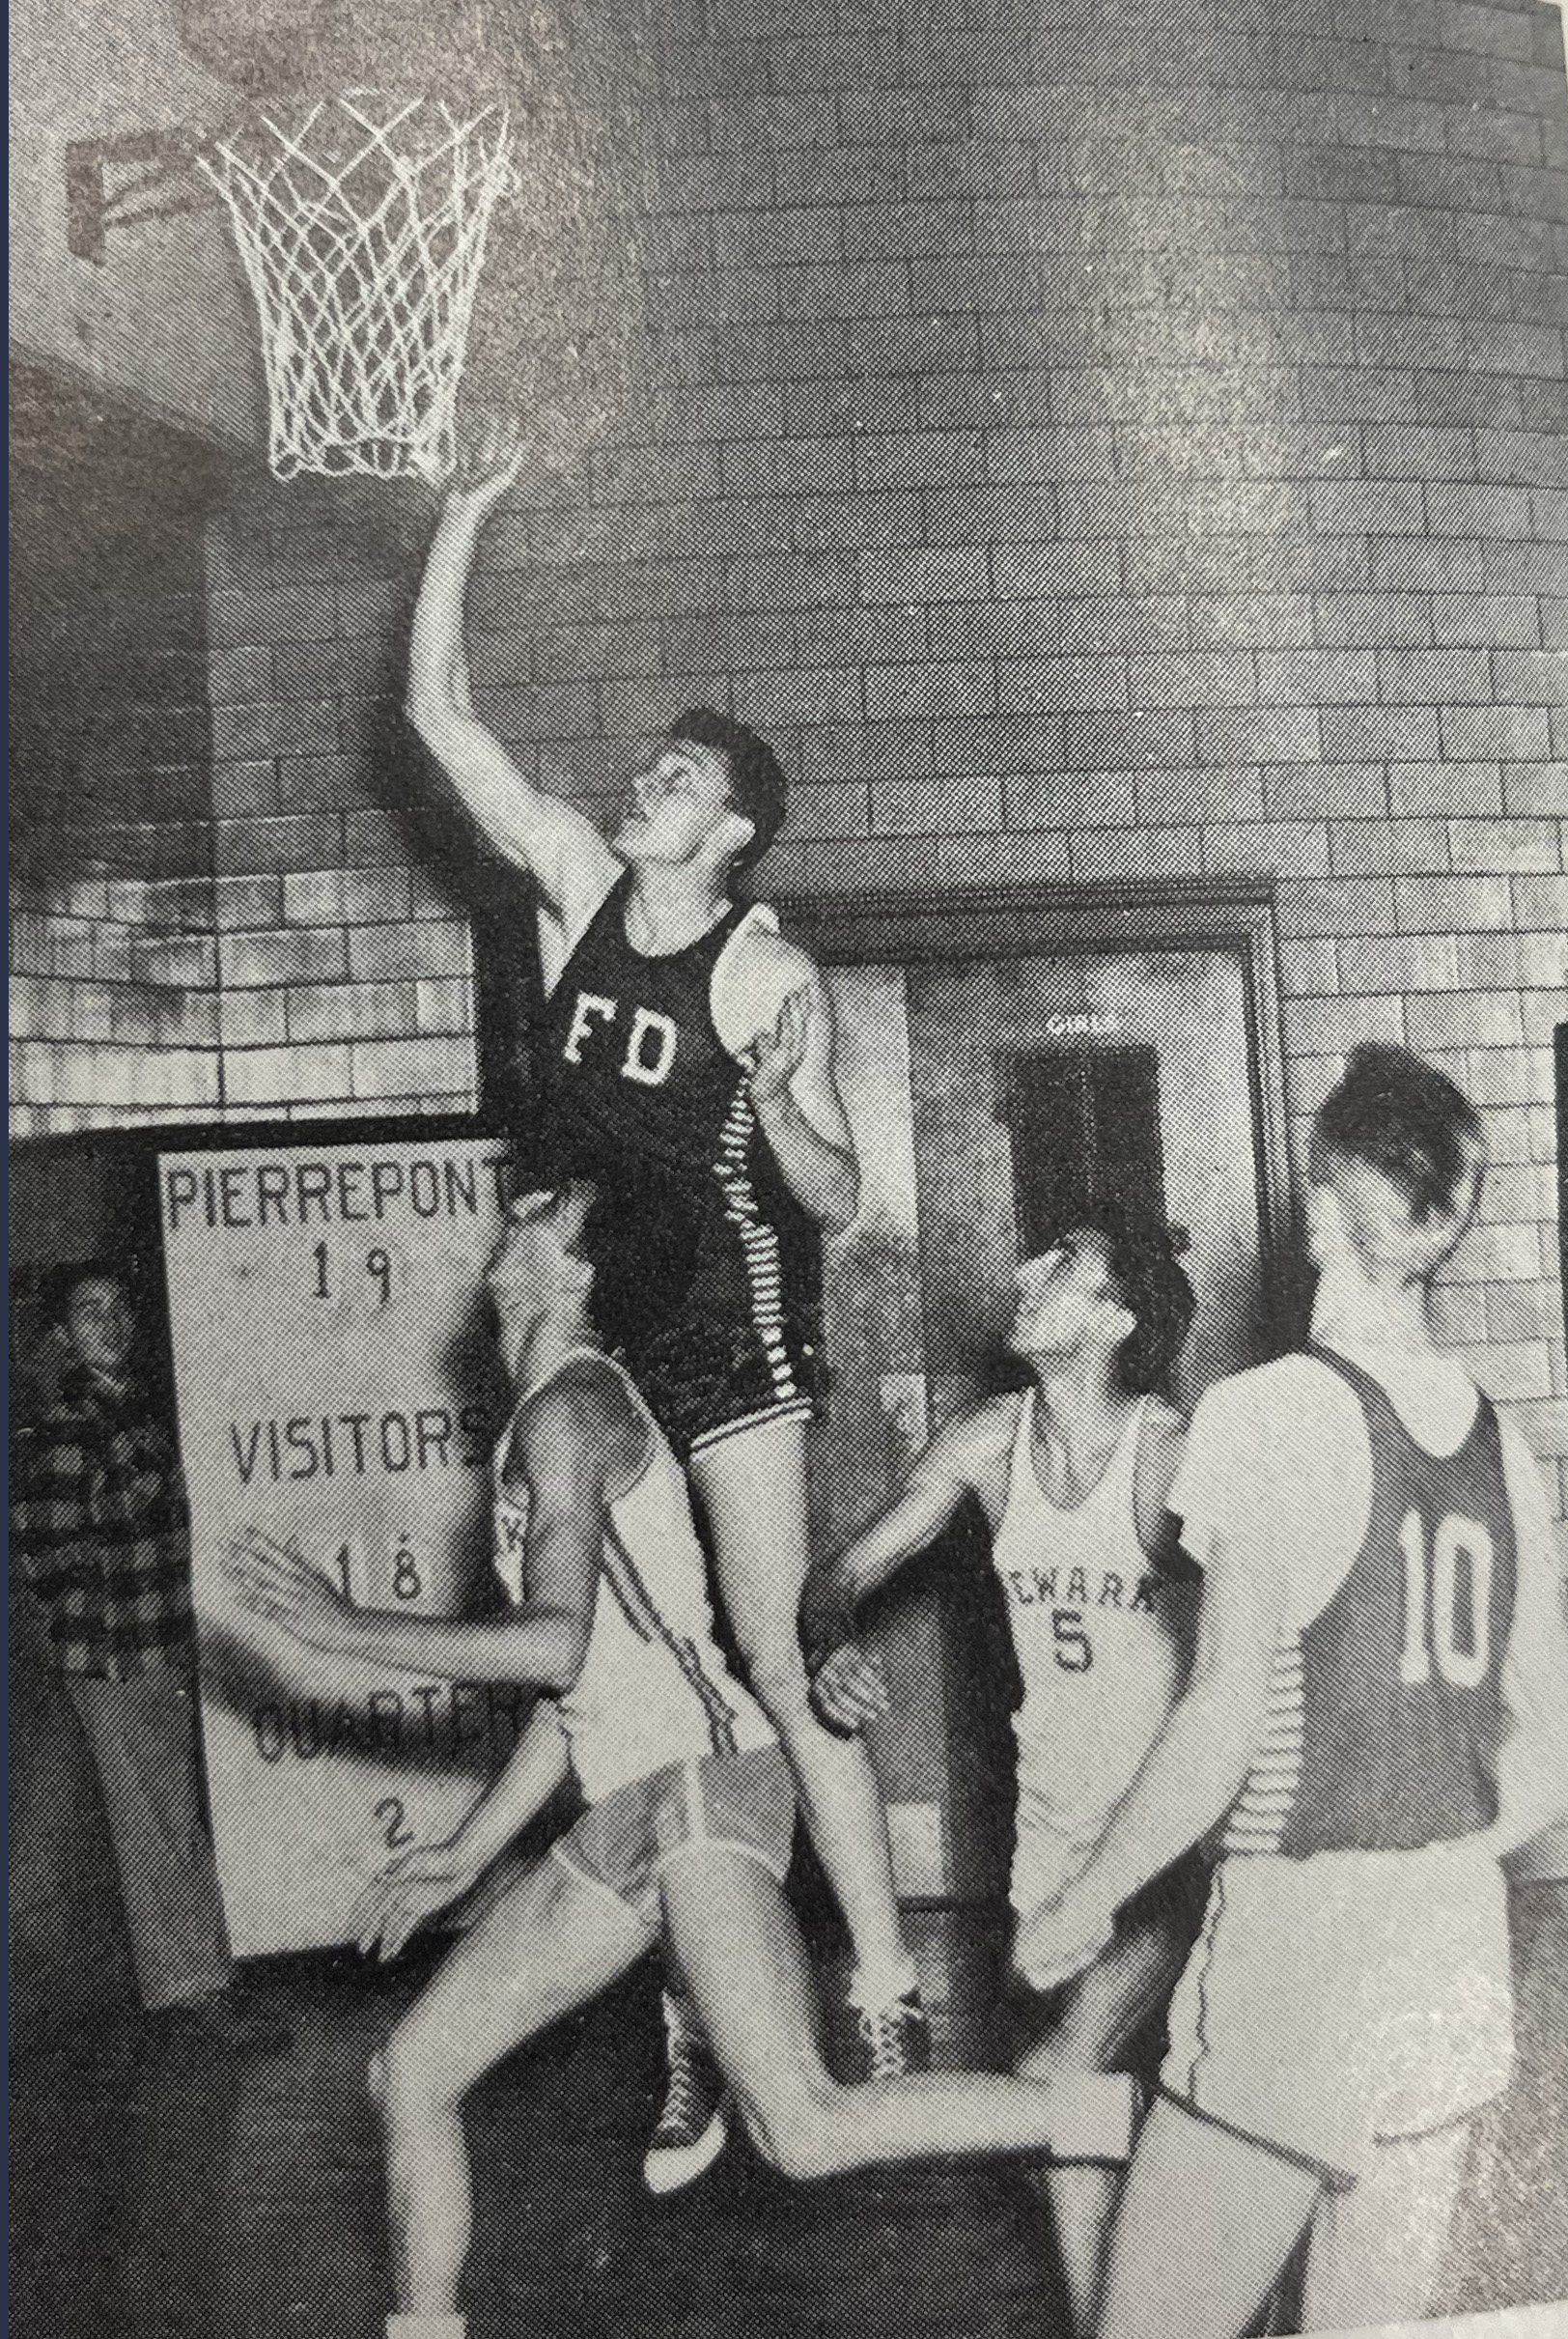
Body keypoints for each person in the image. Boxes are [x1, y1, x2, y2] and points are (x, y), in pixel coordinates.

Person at [226, 1185, 1141, 2339]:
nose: (516, 1211)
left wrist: (338, 1628)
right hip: (630, 1800)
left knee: (799, 2127)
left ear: (577, 1277)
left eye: (548, 1214)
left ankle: (1085, 2110)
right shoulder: (544, 1417)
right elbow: (577, 1690)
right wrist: (464, 1852)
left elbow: (549, 1641)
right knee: (407, 2075)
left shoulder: (571, 1415)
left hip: (704, 1783)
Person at [405, 416, 925, 2176]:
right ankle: (699, 2009)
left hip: (730, 1325)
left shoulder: (764, 963)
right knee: (635, 1691)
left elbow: (842, 1199)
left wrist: (781, 1101)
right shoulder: (570, 890)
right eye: (647, 766)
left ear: (738, 829)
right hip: (614, 1330)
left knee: (769, 1653)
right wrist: (464, 516)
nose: (645, 782)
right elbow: (439, 721)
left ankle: (876, 1980)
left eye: (681, 777)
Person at [1015, 1046, 1568, 2337]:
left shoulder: (1264, 1414)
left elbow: (1217, 1722)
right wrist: (1426, 1845)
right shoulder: (1504, 1443)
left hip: (1298, 1953)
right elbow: (1552, 1752)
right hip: (1448, 1957)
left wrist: (1084, 1895)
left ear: (1320, 1207)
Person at [804, 1206, 1206, 2338]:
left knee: (1052, 2071)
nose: (1025, 1272)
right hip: (1047, 1850)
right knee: (1071, 2129)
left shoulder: (1166, 1457)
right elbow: (836, 1573)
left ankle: (837, 2126)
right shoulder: (987, 1442)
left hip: (1161, 1853)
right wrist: (832, 1641)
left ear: (1114, 1319)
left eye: (1063, 1265)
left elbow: (1266, 1632)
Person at [9, 1260, 288, 2055]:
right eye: (90, 1312)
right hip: (119, 1654)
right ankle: (191, 1994)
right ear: (63, 1335)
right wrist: (101, 1643)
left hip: (156, 1643)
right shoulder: (71, 1420)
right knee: (155, 1823)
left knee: (172, 1816)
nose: (112, 1322)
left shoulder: (127, 1409)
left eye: (118, 1307)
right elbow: (47, 1550)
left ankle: (203, 1982)